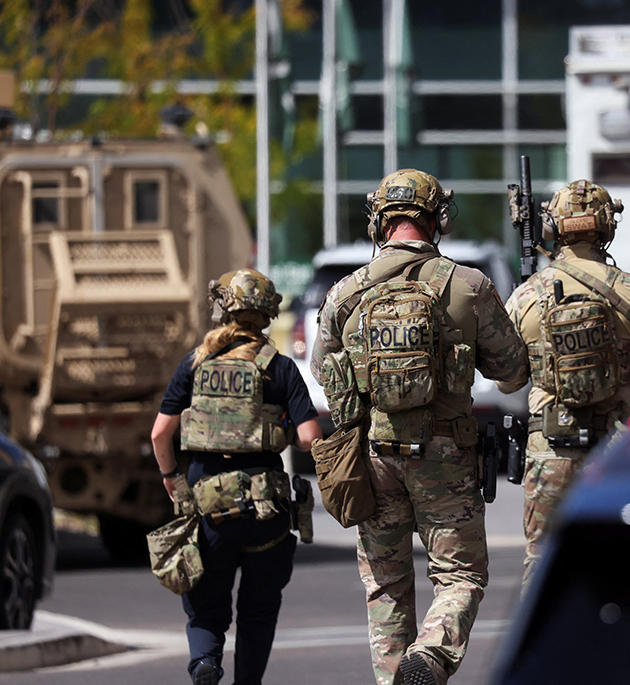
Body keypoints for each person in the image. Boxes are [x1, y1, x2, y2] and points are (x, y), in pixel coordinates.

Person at [311, 168, 526, 685]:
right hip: (446, 458)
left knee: (386, 585)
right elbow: (513, 371)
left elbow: (323, 369)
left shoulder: (345, 293)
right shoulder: (468, 285)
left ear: (378, 222)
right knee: (461, 575)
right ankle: (431, 653)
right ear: (439, 220)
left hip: (373, 456)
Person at [497, 179, 630, 587]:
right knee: (622, 559)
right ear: (607, 227)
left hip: (550, 449)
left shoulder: (527, 296)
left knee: (543, 560)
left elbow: (507, 383)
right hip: (614, 452)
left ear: (555, 229)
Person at [151, 269, 322, 685]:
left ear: (222, 309)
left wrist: (171, 475)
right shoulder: (278, 367)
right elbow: (309, 438)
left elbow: (160, 433)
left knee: (207, 607)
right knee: (259, 610)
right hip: (266, 512)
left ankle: (206, 664)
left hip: (209, 511)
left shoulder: (195, 364)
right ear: (266, 315)